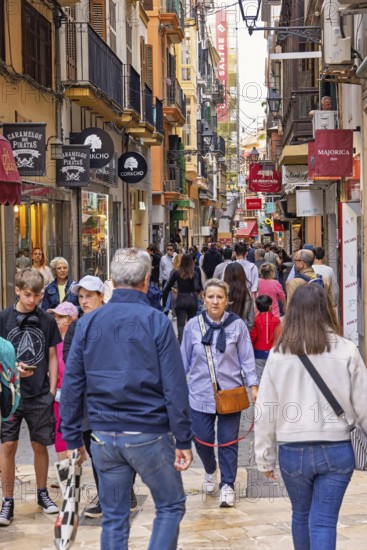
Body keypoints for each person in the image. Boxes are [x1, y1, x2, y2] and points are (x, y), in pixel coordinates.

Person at [60, 248, 193, 549]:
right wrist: (183, 439)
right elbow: (174, 386)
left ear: (112, 281)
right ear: (147, 281)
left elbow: (72, 384)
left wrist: (72, 437)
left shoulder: (88, 323)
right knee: (170, 506)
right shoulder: (156, 321)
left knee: (115, 518)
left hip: (104, 435)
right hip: (148, 433)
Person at [255, 284, 367, 550]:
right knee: (324, 521)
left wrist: (264, 456)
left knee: (301, 514)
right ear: (327, 309)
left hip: (293, 451)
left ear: (292, 312)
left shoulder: (279, 354)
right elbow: (363, 404)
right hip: (338, 449)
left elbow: (265, 409)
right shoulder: (347, 350)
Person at [181, 278, 258, 508]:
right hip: (199, 394)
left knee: (228, 441)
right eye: (210, 296)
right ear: (203, 298)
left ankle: (227, 485)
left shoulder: (238, 326)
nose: (215, 301)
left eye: (219, 297)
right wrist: (174, 388)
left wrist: (253, 385)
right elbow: (182, 360)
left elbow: (247, 358)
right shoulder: (192, 326)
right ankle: (210, 469)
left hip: (230, 394)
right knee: (202, 439)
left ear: (227, 300)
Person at [0, 268, 61, 525]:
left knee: (39, 445)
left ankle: (42, 493)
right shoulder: (3, 318)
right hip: (10, 394)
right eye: (27, 295)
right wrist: (12, 372)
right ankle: (7, 500)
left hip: (39, 394)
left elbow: (52, 356)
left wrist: (51, 391)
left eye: (36, 296)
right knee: (8, 446)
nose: (32, 300)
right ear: (17, 290)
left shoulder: (46, 320)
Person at [62, 275, 106, 518]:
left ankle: (121, 492)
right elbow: (70, 360)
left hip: (111, 399)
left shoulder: (112, 323)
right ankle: (105, 496)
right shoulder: (76, 327)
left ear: (101, 297)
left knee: (114, 449)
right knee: (94, 449)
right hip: (86, 400)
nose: (84, 301)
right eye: (81, 296)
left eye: (89, 296)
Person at [47, 302, 78, 478]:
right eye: (55, 316)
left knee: (75, 436)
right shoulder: (53, 342)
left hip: (76, 397)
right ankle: (65, 477)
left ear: (70, 319)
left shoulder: (76, 342)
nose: (56, 320)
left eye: (60, 316)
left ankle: (72, 474)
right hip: (58, 397)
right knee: (59, 435)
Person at [162, 253, 202, 342]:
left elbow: (167, 287)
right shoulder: (194, 274)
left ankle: (181, 340)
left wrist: (164, 302)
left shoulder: (177, 273)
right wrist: (199, 293)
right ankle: (191, 341)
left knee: (180, 323)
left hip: (181, 298)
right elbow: (197, 287)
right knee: (191, 322)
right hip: (192, 299)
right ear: (192, 263)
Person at [250, 295, 281, 381]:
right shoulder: (276, 320)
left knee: (260, 377)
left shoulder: (256, 320)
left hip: (258, 353)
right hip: (272, 352)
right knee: (273, 376)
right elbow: (279, 337)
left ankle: (261, 393)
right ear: (271, 307)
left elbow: (253, 336)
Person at [223, 262, 255, 330]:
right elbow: (251, 321)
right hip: (242, 331)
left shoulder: (222, 294)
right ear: (242, 276)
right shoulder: (248, 295)